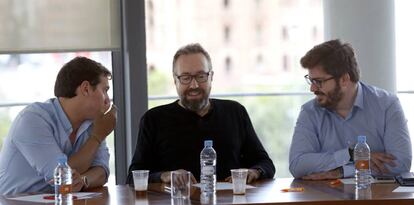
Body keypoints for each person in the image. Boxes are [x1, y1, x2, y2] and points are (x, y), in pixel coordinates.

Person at [127, 43, 275, 184]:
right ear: (175, 80)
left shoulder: (235, 112)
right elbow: (134, 177)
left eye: (201, 76)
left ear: (211, 77)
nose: (194, 85)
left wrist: (255, 172)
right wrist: (164, 176)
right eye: (185, 78)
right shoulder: (154, 119)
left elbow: (265, 163)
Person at [289, 39, 412, 180]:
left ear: (344, 79)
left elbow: (400, 164)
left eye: (319, 81)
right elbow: (297, 165)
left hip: (377, 199)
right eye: (311, 80)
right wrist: (351, 154)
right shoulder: (310, 112)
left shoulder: (387, 105)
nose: (312, 88)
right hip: (326, 199)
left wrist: (341, 171)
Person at [0, 57, 117, 195]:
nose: (108, 100)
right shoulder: (32, 119)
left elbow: (102, 171)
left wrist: (83, 180)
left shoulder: (93, 122)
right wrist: (97, 136)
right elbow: (61, 177)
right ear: (86, 89)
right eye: (105, 90)